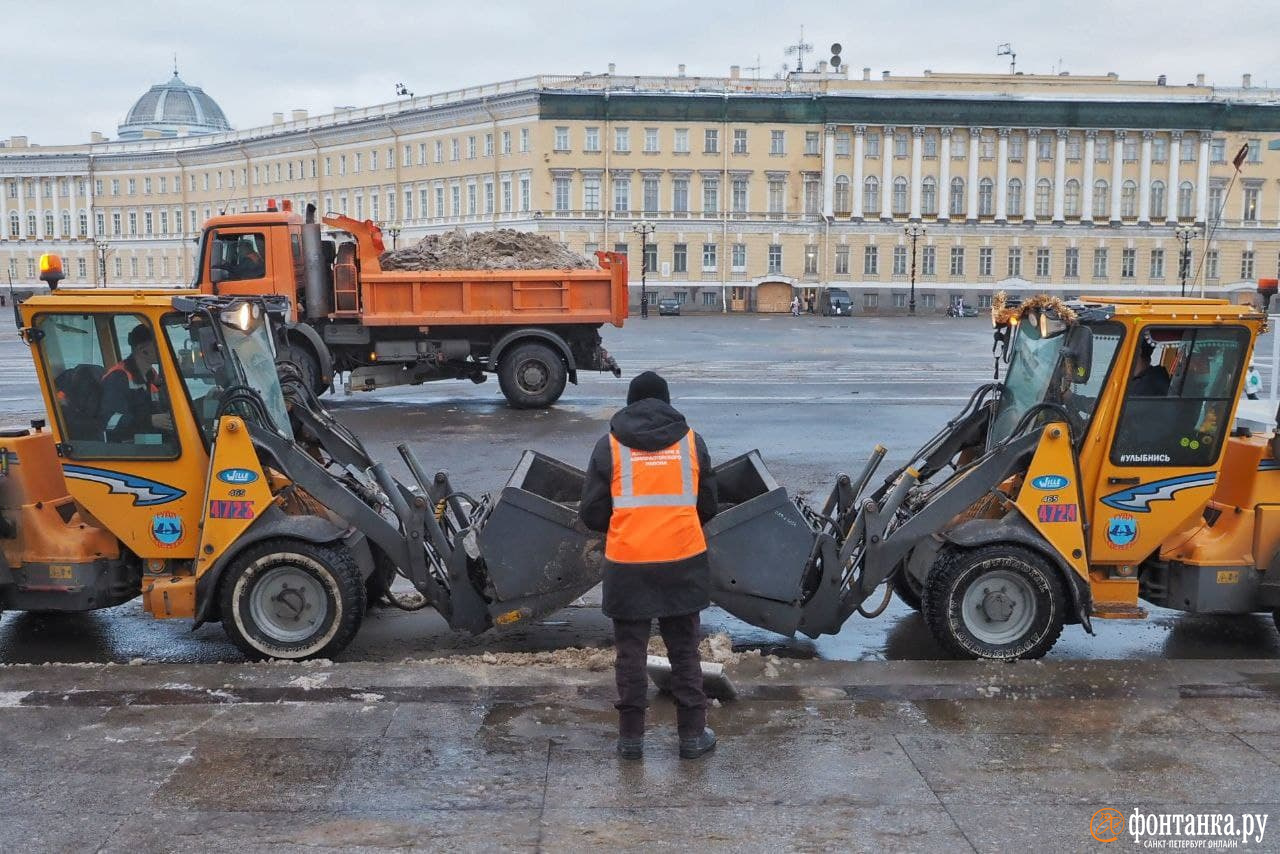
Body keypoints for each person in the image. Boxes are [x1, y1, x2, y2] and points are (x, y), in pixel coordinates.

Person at [580, 370, 719, 761]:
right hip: (682, 561)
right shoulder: (693, 442)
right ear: (667, 402)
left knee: (630, 654)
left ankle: (630, 740)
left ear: (629, 402)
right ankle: (692, 735)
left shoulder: (609, 446)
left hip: (628, 564)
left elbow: (591, 513)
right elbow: (708, 504)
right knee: (685, 651)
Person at [100, 324, 173, 442]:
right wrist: (150, 421)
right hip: (126, 449)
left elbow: (165, 409)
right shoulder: (118, 378)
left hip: (148, 441)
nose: (164, 348)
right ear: (142, 350)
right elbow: (109, 421)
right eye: (159, 344)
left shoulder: (151, 377)